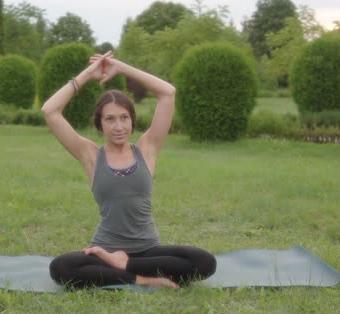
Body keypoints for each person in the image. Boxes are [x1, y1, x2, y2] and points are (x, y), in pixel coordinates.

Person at [41, 51, 216, 289]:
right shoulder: (91, 156)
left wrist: (121, 67)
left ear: (132, 120)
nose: (119, 126)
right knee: (61, 267)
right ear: (100, 124)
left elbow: (168, 92)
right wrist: (87, 75)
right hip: (105, 250)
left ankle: (126, 267)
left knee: (204, 262)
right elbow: (50, 110)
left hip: (148, 251)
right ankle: (141, 278)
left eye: (124, 118)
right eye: (110, 119)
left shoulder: (147, 149)